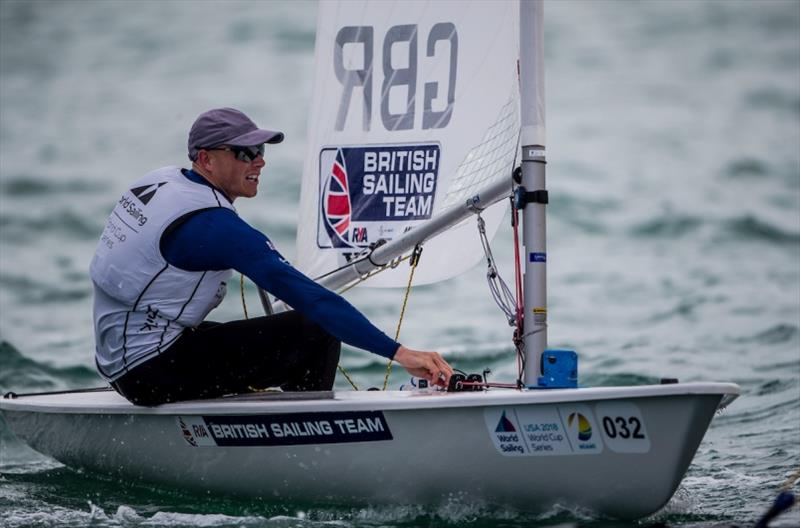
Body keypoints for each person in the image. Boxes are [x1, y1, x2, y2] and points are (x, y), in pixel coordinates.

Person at [90, 107, 453, 405]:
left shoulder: (162, 182)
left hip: (117, 357)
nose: (260, 162)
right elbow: (312, 299)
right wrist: (400, 353)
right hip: (150, 373)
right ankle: (312, 441)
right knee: (315, 330)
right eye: (245, 153)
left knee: (277, 335)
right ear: (206, 159)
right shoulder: (214, 228)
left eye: (261, 152)